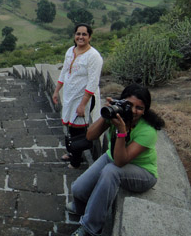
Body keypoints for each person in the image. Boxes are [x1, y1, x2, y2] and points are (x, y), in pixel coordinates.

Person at [68, 83, 165, 236]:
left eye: (139, 108)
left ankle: (90, 227)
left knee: (111, 172)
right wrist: (106, 115)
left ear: (145, 110)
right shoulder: (118, 115)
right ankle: (82, 208)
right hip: (114, 157)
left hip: (142, 172)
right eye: (129, 105)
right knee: (78, 189)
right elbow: (90, 136)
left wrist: (121, 131)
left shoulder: (148, 131)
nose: (133, 111)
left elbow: (121, 161)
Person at [52, 23, 103, 169]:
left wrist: (83, 104)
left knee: (78, 128)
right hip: (69, 94)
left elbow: (93, 82)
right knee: (68, 124)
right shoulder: (70, 51)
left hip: (82, 97)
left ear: (90, 37)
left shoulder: (94, 56)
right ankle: (71, 151)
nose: (80, 37)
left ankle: (76, 160)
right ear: (74, 35)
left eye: (84, 34)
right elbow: (64, 72)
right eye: (78, 34)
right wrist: (56, 91)